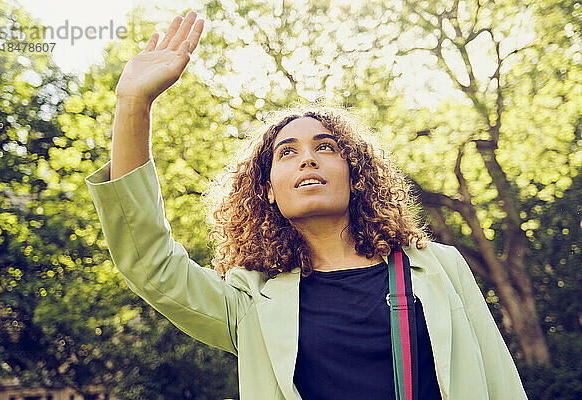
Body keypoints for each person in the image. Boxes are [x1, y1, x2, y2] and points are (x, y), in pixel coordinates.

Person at [85, 11, 528, 400]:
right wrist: (134, 103)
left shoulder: (440, 269)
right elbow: (150, 263)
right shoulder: (250, 301)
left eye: (325, 146)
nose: (307, 158)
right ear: (269, 191)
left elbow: (499, 381)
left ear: (354, 177)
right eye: (287, 152)